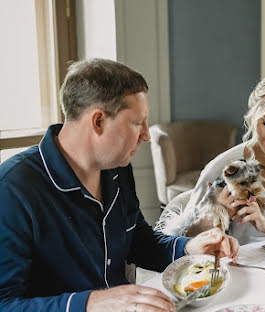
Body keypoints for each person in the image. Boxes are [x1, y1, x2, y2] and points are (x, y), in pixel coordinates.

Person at [0, 58, 239, 312]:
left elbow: (138, 241)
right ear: (98, 121)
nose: (146, 135)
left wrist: (188, 247)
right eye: (138, 123)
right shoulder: (13, 188)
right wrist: (92, 302)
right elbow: (5, 303)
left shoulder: (117, 168)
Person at [163, 68, 265, 245]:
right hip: (242, 270)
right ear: (254, 114)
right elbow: (180, 241)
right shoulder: (223, 166)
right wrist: (214, 216)